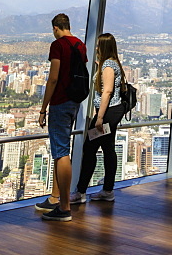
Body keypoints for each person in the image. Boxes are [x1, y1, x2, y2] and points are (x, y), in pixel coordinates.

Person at [35, 13, 87, 221]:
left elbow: (53, 78)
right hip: (75, 101)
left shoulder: (58, 45)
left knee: (61, 152)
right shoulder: (79, 45)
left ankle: (64, 206)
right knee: (61, 149)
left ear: (56, 28)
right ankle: (55, 197)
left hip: (60, 101)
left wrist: (43, 108)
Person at [70, 33, 125, 205]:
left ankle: (80, 191)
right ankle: (107, 190)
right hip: (112, 113)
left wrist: (99, 118)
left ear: (104, 47)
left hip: (106, 114)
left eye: (98, 46)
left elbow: (107, 91)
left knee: (90, 148)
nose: (95, 48)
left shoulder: (108, 66)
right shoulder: (113, 64)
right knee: (108, 149)